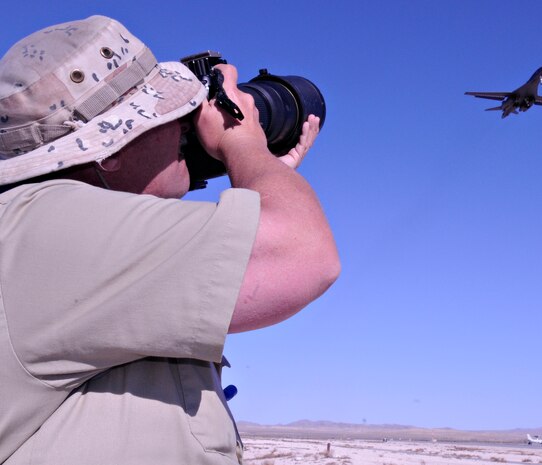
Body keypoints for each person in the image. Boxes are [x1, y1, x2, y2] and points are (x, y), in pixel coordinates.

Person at [0, 15, 340, 464]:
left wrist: (261, 192)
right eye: (168, 114)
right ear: (110, 150)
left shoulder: (40, 228)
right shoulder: (45, 221)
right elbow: (303, 258)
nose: (187, 128)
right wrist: (245, 144)